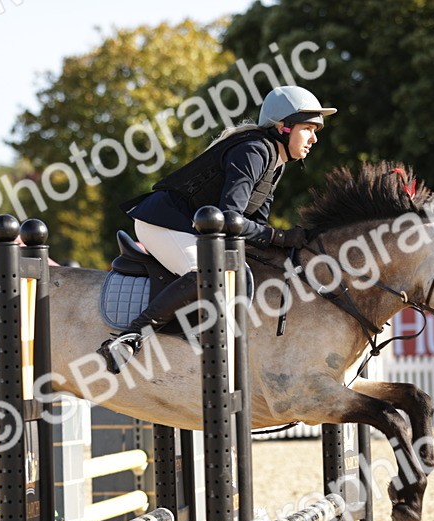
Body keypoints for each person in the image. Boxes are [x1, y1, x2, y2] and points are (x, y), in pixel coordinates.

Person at [97, 85, 336, 373]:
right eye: (308, 128)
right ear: (283, 127)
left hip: (195, 226)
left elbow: (256, 225)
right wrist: (280, 236)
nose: (314, 138)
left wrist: (288, 244)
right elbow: (228, 216)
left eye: (315, 130)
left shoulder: (275, 160)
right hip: (163, 223)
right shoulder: (254, 151)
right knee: (208, 275)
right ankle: (129, 338)